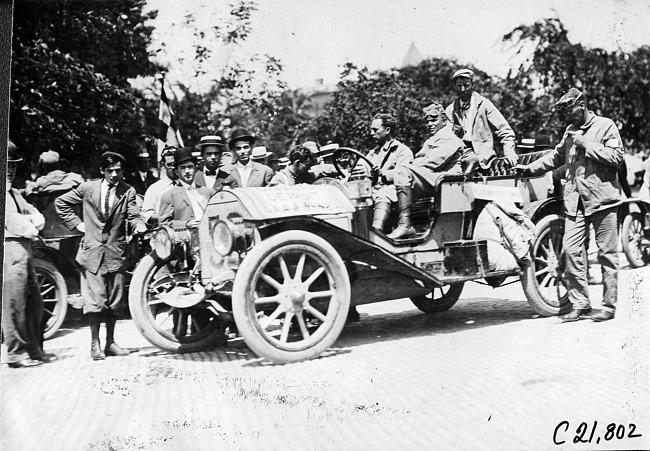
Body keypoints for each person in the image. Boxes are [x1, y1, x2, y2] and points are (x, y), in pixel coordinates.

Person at [515, 88, 623, 322]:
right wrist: (529, 169)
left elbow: (617, 157)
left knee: (607, 255)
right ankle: (581, 303)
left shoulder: (606, 126)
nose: (566, 116)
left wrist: (586, 144)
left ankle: (608, 306)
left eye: (568, 109)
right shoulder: (569, 131)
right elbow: (556, 157)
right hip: (575, 202)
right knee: (571, 251)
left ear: (582, 105)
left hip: (602, 200)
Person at [56, 151, 147, 359]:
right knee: (95, 302)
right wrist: (77, 224)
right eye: (110, 171)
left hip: (115, 253)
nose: (114, 175)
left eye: (118, 170)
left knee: (115, 302)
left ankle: (110, 342)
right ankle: (95, 343)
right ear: (102, 171)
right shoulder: (88, 188)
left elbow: (133, 215)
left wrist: (139, 225)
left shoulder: (128, 191)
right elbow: (61, 203)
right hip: (92, 254)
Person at [2, 140, 54, 368]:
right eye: (6, 165)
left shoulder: (14, 193)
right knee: (14, 303)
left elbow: (37, 215)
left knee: (34, 302)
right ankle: (15, 353)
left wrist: (31, 222)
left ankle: (34, 349)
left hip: (24, 249)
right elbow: (12, 223)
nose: (10, 170)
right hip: (11, 248)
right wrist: (31, 225)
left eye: (13, 166)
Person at [385, 102, 466, 239]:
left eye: (434, 120)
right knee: (384, 191)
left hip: (447, 181)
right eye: (427, 121)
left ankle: (406, 225)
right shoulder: (433, 139)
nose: (430, 124)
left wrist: (394, 172)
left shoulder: (449, 138)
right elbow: (421, 161)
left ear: (444, 120)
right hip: (433, 178)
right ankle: (377, 231)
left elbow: (433, 162)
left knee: (402, 171)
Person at [445, 68, 518, 170]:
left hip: (483, 160)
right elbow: (446, 138)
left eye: (466, 85)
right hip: (460, 159)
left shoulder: (484, 105)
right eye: (459, 86)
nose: (462, 89)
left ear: (473, 85)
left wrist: (509, 152)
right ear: (454, 86)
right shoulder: (450, 110)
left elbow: (505, 130)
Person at [365, 113, 414, 233]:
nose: (371, 133)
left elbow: (404, 174)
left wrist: (384, 173)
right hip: (374, 190)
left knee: (383, 193)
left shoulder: (402, 151)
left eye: (375, 130)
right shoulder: (371, 154)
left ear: (387, 130)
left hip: (395, 191)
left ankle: (376, 232)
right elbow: (363, 173)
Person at [159, 147, 216, 229]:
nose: (187, 171)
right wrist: (186, 224)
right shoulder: (169, 196)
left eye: (190, 167)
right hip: (185, 238)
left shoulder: (209, 192)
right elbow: (164, 224)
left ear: (196, 169)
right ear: (176, 171)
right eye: (182, 168)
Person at [140, 148, 179, 225]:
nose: (173, 167)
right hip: (164, 231)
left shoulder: (186, 186)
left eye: (175, 164)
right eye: (169, 164)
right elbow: (146, 214)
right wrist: (164, 218)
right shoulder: (155, 188)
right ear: (163, 165)